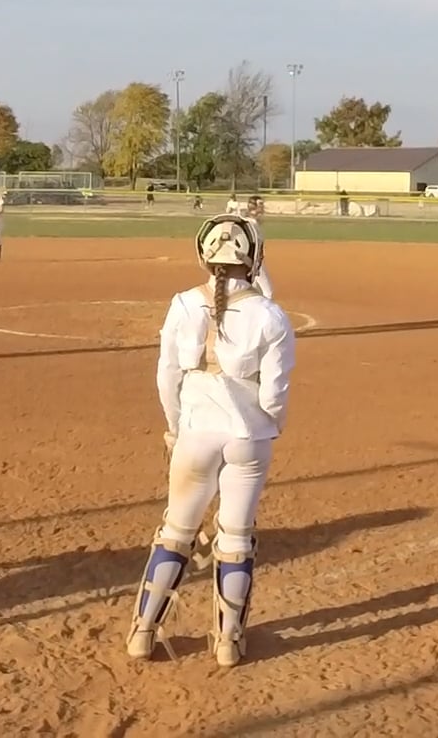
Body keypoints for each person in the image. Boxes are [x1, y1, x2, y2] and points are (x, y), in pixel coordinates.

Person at [126, 214, 296, 667]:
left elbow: (167, 375)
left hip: (195, 434)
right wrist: (271, 425)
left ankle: (143, 632)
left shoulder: (183, 304)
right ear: (254, 257)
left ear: (203, 254)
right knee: (236, 537)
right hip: (248, 437)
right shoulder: (271, 315)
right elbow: (274, 392)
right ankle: (227, 642)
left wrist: (174, 426)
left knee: (175, 532)